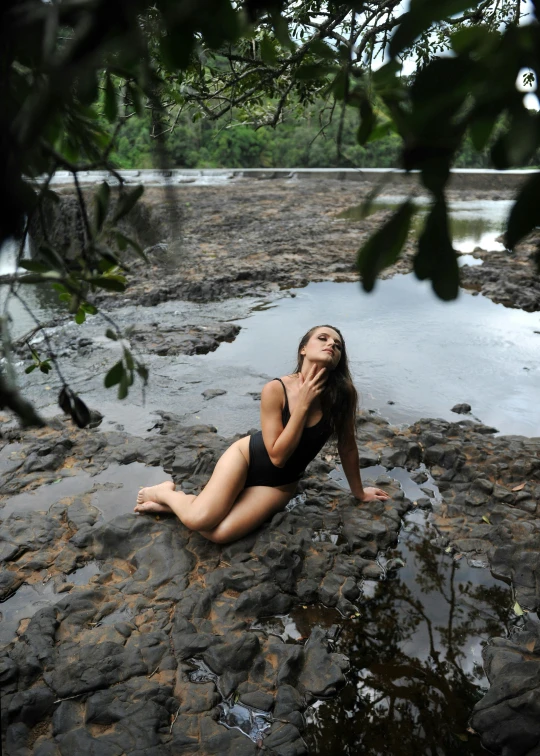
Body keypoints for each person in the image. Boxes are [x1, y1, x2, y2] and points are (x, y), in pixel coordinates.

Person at [135, 324, 390, 543]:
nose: (331, 344)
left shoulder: (343, 396)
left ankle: (176, 507)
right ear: (303, 349)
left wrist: (359, 492)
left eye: (337, 345)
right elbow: (277, 455)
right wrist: (301, 406)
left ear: (338, 359)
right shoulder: (275, 389)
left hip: (280, 485)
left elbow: (347, 446)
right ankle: (167, 493)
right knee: (200, 519)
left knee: (218, 534)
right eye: (323, 338)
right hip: (245, 459)